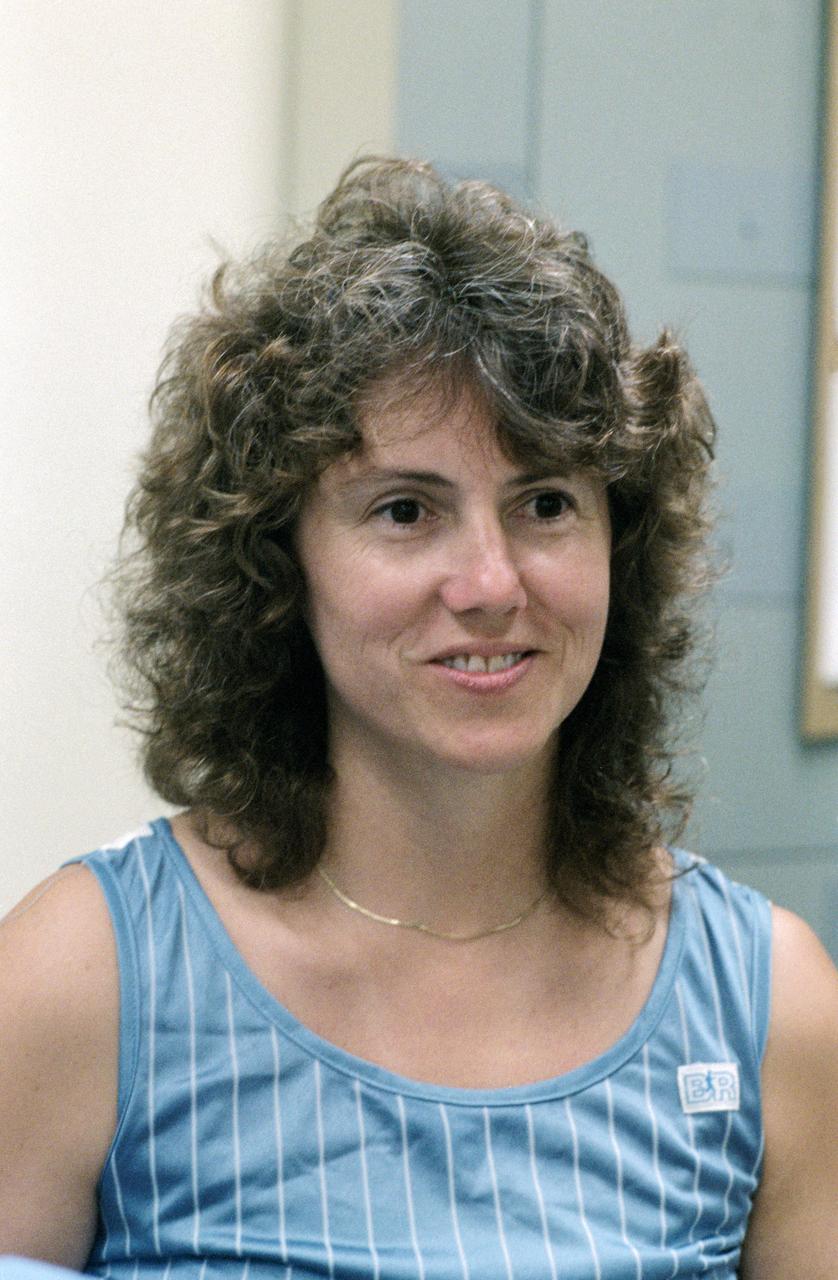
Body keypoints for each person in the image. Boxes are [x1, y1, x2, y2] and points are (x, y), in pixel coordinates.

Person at [1, 157, 836, 1280]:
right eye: (404, 509)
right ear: (273, 562)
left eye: (545, 501)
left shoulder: (767, 1006)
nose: (490, 581)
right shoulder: (80, 979)